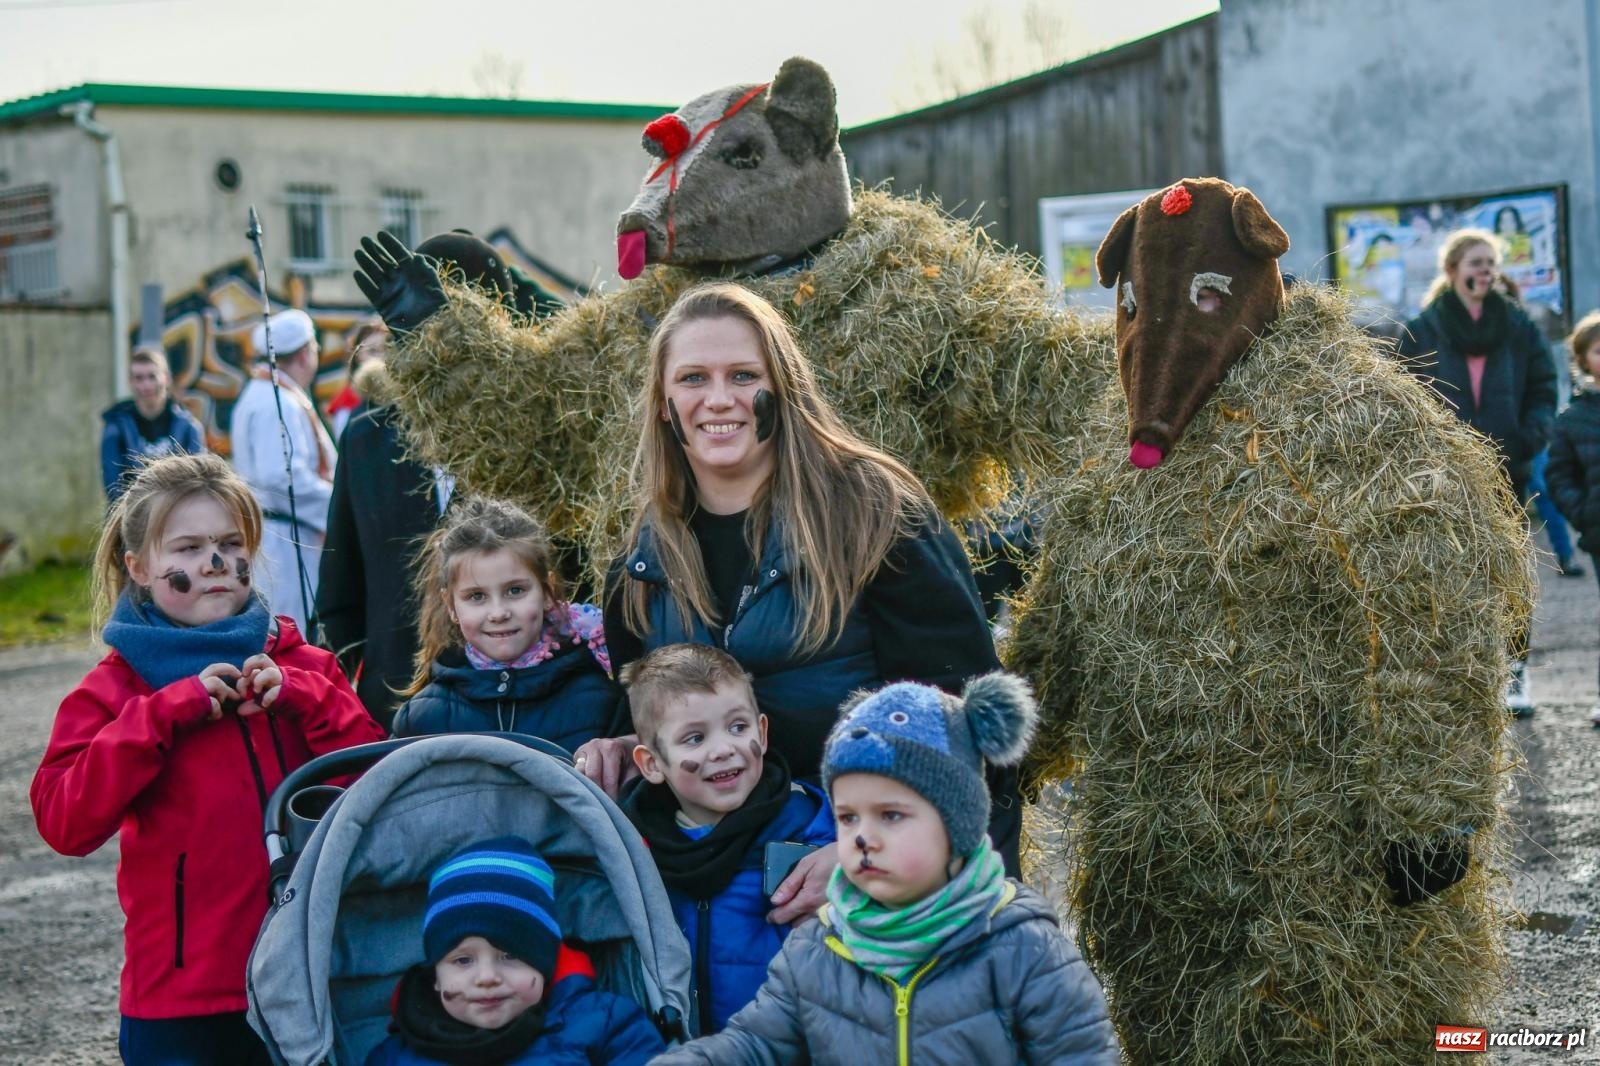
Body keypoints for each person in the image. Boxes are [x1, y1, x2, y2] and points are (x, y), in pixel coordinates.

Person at [574, 282, 1016, 912]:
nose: (718, 399)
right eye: (693, 378)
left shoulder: (874, 516)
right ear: (666, 407)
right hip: (719, 910)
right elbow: (647, 714)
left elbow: (966, 725)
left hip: (880, 900)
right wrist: (622, 749)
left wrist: (860, 853)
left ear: (782, 390)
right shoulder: (644, 563)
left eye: (744, 375)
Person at [29, 452, 386, 1066]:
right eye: (188, 548)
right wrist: (163, 714)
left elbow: (378, 789)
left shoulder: (308, 668)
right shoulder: (114, 690)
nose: (215, 563)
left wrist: (309, 700)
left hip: (317, 977)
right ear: (139, 567)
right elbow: (64, 821)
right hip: (182, 1002)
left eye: (229, 543)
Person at [651, 672, 1117, 1065]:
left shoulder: (1022, 946)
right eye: (848, 818)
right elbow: (756, 1044)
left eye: (891, 815)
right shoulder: (819, 946)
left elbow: (1080, 1054)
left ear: (956, 821)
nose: (862, 838)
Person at [616, 644, 834, 1034]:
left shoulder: (813, 829)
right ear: (652, 764)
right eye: (694, 738)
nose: (723, 750)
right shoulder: (634, 848)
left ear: (762, 733)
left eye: (737, 728)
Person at [1398, 228, 1557, 714]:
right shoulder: (1424, 328)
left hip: (1507, 469)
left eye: (1490, 263)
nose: (1485, 271)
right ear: (1453, 271)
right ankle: (1462, 678)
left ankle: (1514, 673)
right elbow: (1403, 396)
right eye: (1475, 263)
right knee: (1450, 574)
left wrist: (1528, 437)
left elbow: (1544, 386)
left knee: (1509, 575)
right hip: (1445, 475)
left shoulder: (1518, 325)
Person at [364, 837, 665, 1065]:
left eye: (510, 955)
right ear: (436, 976)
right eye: (463, 960)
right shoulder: (395, 1057)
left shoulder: (605, 1025)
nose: (487, 977)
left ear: (544, 962)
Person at [389, 497, 617, 753]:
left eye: (515, 590)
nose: (498, 613)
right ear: (451, 605)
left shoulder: (601, 702)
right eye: (477, 596)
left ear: (547, 592)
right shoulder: (422, 719)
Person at [231, 307, 338, 635]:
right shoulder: (277, 402)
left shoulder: (264, 394)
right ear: (305, 354)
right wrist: (339, 504)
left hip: (284, 534)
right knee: (289, 633)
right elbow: (281, 478)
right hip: (285, 542)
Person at [1543, 309, 1600, 727]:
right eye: (1599, 351)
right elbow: (1558, 475)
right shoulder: (1573, 418)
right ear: (1582, 360)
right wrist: (1585, 514)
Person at [100, 344, 206, 502]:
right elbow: (112, 485)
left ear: (166, 378)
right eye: (139, 378)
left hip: (177, 511)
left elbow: (198, 480)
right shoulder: (116, 426)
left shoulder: (188, 426)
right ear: (131, 382)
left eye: (152, 376)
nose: (146, 385)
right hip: (132, 511)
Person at [327, 322, 388, 440]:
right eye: (373, 351)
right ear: (357, 355)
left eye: (385, 349)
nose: (381, 357)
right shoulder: (347, 405)